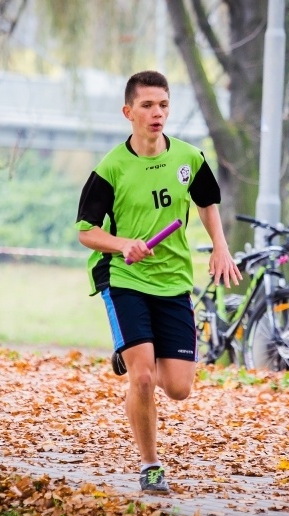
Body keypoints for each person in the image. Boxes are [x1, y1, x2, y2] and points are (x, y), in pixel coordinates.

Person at [75, 70, 241, 493]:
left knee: (179, 388)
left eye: (164, 104)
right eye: (148, 105)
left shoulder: (188, 158)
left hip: (173, 283)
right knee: (143, 378)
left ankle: (131, 353)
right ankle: (150, 465)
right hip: (126, 278)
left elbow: (207, 202)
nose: (157, 113)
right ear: (128, 112)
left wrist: (220, 246)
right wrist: (122, 243)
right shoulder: (111, 169)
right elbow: (86, 232)